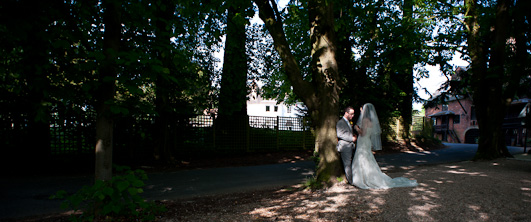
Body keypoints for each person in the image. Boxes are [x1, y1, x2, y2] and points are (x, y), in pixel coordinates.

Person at [351, 103, 418, 189]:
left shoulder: (365, 120)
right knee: (367, 158)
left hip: (363, 141)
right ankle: (366, 177)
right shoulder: (371, 121)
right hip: (367, 141)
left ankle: (362, 179)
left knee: (362, 157)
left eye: (362, 109)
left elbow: (363, 133)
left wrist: (356, 128)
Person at [336, 106, 357, 185]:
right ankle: (351, 182)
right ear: (346, 113)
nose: (353, 115)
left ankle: (353, 179)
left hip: (350, 145)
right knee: (347, 164)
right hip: (345, 146)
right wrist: (352, 139)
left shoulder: (348, 122)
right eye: (351, 114)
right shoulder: (340, 122)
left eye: (353, 114)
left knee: (351, 163)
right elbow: (340, 134)